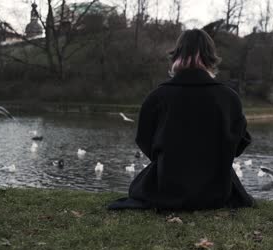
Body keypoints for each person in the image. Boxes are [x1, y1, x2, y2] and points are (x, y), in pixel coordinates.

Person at [108, 29, 254, 210]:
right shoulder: (229, 98)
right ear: (211, 57)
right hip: (216, 190)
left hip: (167, 187)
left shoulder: (157, 96)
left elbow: (144, 139)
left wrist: (170, 158)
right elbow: (241, 142)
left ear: (177, 54)